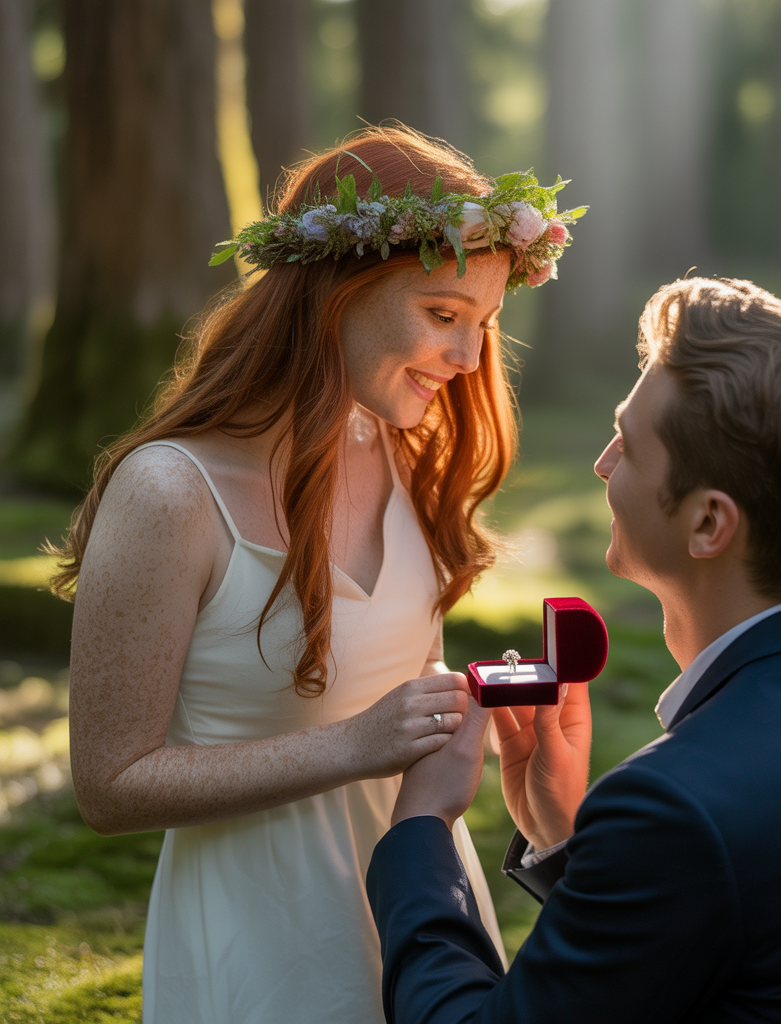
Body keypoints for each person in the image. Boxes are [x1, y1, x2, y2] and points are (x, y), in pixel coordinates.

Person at [56, 126, 584, 1023]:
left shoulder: (408, 451)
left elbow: (394, 700)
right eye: (443, 315)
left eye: (483, 328)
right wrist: (352, 746)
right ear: (336, 293)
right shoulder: (170, 493)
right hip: (259, 941)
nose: (465, 363)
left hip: (424, 910)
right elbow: (109, 783)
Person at [366, 277, 781, 1023]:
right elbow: (749, 941)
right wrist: (566, 838)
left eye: (632, 445)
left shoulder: (671, 804)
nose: (604, 464)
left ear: (709, 523)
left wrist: (420, 829)